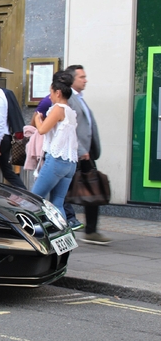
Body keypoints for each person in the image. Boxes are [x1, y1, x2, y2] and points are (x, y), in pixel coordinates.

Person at [64, 64, 111, 245]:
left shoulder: (80, 98)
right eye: (81, 77)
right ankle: (81, 228)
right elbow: (70, 127)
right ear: (71, 79)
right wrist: (82, 150)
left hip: (86, 152)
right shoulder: (69, 99)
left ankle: (90, 230)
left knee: (91, 187)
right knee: (64, 190)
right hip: (77, 152)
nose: (85, 80)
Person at [31, 71, 78, 217]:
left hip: (56, 160)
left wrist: (38, 118)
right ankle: (63, 236)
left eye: (50, 92)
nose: (49, 96)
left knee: (33, 200)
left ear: (58, 93)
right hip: (70, 163)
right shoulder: (70, 111)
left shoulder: (58, 109)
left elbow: (42, 130)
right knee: (57, 203)